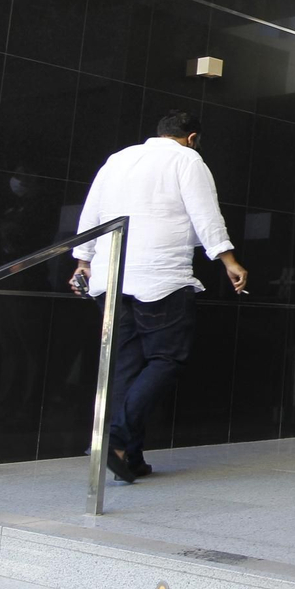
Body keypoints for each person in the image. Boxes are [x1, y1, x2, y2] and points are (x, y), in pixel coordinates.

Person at [72, 110, 248, 484]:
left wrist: (83, 261)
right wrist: (228, 259)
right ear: (192, 137)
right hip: (160, 277)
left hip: (110, 274)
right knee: (167, 358)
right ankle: (115, 438)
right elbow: (205, 214)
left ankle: (129, 457)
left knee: (125, 366)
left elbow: (92, 213)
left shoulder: (118, 159)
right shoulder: (187, 159)